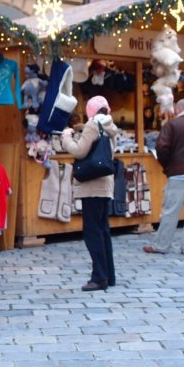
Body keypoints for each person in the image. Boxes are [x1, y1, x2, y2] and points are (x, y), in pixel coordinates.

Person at [60, 96, 118, 292]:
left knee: (92, 232)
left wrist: (67, 137)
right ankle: (109, 275)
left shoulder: (93, 125)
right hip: (105, 185)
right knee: (103, 231)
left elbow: (80, 152)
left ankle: (99, 277)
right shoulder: (110, 126)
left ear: (90, 110)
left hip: (92, 185)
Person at [143, 98, 184, 256]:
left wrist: (167, 165)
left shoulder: (172, 125)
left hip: (178, 173)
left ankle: (161, 245)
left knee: (170, 210)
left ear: (178, 109)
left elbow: (161, 147)